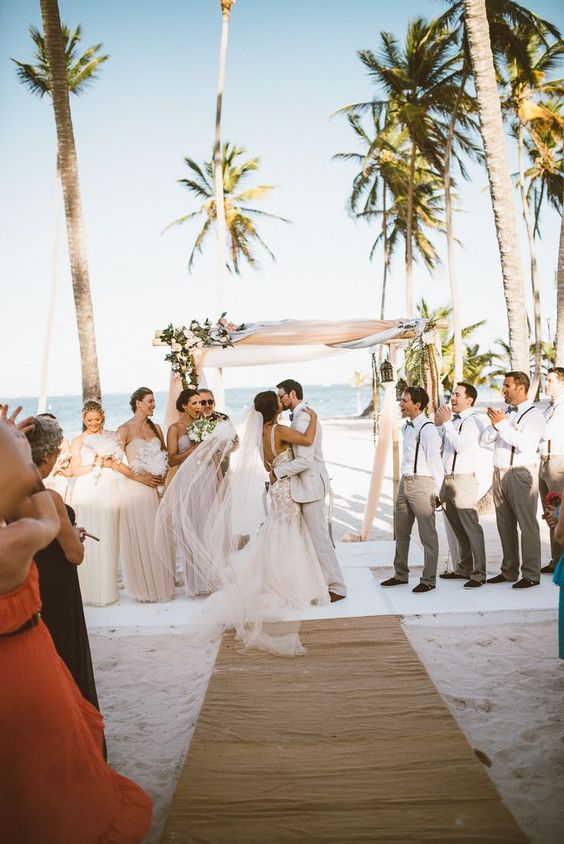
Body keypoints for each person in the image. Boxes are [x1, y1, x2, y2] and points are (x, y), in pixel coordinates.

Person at [0, 414, 152, 844]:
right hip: (29, 651)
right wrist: (23, 465)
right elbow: (68, 547)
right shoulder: (29, 525)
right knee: (50, 737)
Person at [155, 390, 330, 655]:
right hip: (284, 490)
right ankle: (287, 583)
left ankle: (278, 577)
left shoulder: (261, 433)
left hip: (276, 488)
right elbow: (306, 439)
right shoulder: (279, 431)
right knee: (287, 534)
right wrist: (314, 417)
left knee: (278, 533)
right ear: (276, 409)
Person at [25, 414, 102, 715]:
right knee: (64, 653)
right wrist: (75, 537)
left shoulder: (9, 494)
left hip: (28, 579)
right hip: (56, 584)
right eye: (58, 451)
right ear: (46, 454)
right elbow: (74, 555)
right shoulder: (48, 497)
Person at [274, 379, 347, 602]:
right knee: (309, 539)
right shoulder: (299, 416)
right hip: (303, 486)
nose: (280, 400)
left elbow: (305, 460)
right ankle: (319, 581)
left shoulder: (304, 417)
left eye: (282, 395)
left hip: (311, 485)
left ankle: (338, 587)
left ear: (292, 394)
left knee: (319, 539)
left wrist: (277, 472)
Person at [480, 370, 545, 588]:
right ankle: (508, 571)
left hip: (520, 473)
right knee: (504, 525)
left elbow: (526, 444)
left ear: (520, 388)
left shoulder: (534, 415)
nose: (503, 390)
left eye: (507, 386)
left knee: (527, 525)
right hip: (499, 473)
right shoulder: (505, 412)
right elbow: (484, 440)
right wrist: (494, 424)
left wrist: (502, 425)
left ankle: (531, 574)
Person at [381, 386, 443, 593]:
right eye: (402, 400)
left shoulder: (427, 429)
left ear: (417, 405)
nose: (401, 403)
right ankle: (400, 574)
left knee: (427, 535)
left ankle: (428, 579)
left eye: (405, 401)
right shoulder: (407, 427)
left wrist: (438, 491)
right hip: (404, 483)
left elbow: (436, 462)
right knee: (401, 532)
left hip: (422, 484)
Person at [115, 388, 175, 602]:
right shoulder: (124, 430)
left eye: (154, 401)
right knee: (144, 535)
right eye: (150, 401)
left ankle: (162, 585)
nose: (153, 405)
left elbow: (165, 455)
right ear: (138, 403)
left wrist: (162, 472)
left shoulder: (156, 428)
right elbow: (113, 461)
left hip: (158, 488)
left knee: (160, 536)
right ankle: (144, 589)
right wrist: (140, 478)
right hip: (137, 489)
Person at [435, 382, 487, 588]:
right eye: (452, 394)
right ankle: (464, 568)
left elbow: (460, 446)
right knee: (458, 528)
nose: (453, 398)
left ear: (469, 400)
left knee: (471, 527)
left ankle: (479, 573)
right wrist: (440, 425)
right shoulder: (453, 421)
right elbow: (442, 447)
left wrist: (446, 423)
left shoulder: (473, 421)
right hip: (447, 479)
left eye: (457, 394)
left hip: (464, 480)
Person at [70, 400, 121, 606]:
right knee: (88, 537)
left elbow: (118, 462)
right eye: (89, 420)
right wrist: (94, 464)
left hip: (108, 487)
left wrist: (106, 462)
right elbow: (75, 470)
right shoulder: (78, 441)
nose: (93, 423)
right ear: (84, 419)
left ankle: (107, 590)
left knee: (108, 535)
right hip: (86, 487)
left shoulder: (111, 436)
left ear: (103, 417)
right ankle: (88, 591)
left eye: (97, 419)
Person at [539, 367, 564, 574]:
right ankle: (556, 560)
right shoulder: (548, 408)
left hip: (558, 463)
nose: (546, 383)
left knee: (559, 512)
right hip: (544, 462)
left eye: (550, 380)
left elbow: (545, 432)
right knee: (549, 513)